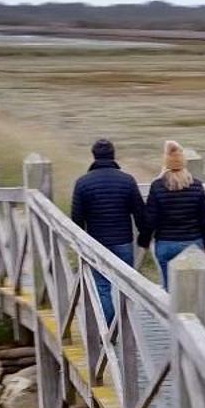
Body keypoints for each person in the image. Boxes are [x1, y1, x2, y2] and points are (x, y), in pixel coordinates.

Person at [67, 138, 149, 323]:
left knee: (102, 287)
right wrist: (144, 239)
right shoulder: (127, 181)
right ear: (113, 155)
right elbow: (140, 214)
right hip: (123, 241)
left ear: (94, 156)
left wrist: (81, 245)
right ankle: (127, 327)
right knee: (125, 286)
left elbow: (77, 218)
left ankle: (109, 330)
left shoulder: (83, 183)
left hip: (96, 243)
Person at [144, 140, 205, 291]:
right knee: (193, 290)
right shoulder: (196, 185)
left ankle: (170, 313)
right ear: (184, 163)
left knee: (170, 290)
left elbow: (151, 218)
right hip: (193, 243)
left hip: (166, 243)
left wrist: (144, 240)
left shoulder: (157, 186)